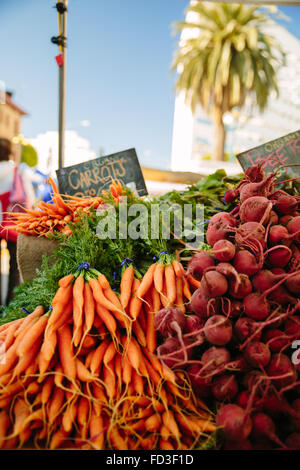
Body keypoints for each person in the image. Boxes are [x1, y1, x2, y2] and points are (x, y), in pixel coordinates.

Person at [0, 138, 30, 305]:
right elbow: (28, 198)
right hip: (12, 223)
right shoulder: (16, 170)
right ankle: (10, 304)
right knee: (14, 266)